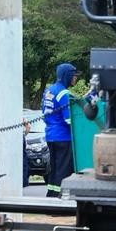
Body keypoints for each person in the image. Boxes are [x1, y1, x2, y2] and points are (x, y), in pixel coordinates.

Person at [42, 63, 81, 194]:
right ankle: (60, 197)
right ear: (66, 76)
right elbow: (69, 120)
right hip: (64, 137)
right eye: (74, 75)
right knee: (64, 169)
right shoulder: (63, 93)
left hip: (50, 136)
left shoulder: (49, 90)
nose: (75, 78)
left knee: (54, 169)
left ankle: (51, 195)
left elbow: (44, 113)